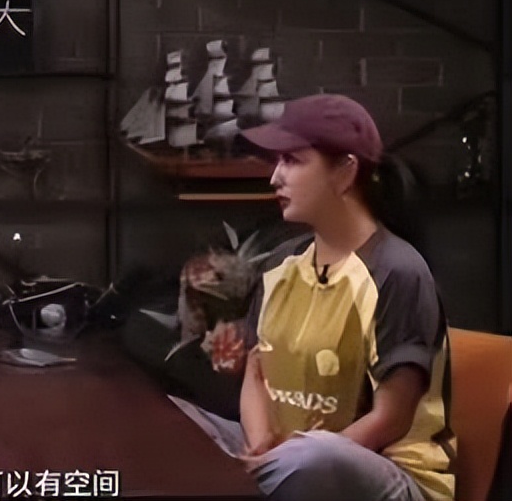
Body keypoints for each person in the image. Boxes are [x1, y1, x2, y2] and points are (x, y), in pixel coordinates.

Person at [172, 94, 454, 501]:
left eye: (292, 161)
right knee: (170, 420)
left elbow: (391, 419)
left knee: (314, 456)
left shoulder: (397, 271)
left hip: (382, 470)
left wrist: (284, 459)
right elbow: (256, 371)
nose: (275, 178)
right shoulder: (283, 264)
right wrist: (261, 446)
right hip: (287, 459)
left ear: (345, 172)